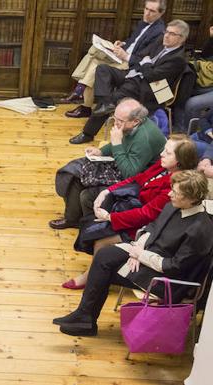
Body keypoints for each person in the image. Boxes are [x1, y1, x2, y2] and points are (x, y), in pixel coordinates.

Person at [53, 170, 213, 336]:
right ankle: (84, 317)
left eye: (176, 192)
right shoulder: (174, 206)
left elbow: (174, 266)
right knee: (104, 255)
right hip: (149, 255)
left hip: (168, 280)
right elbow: (152, 228)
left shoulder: (199, 229)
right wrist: (139, 248)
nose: (170, 194)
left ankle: (85, 320)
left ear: (192, 199)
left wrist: (140, 256)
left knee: (105, 269)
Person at [62, 135, 198, 289]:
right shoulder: (163, 167)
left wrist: (110, 217)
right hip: (131, 212)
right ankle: (98, 273)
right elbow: (137, 179)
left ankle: (91, 278)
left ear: (180, 160)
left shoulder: (175, 184)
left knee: (101, 241)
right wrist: (108, 191)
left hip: (147, 227)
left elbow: (148, 214)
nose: (161, 154)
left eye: (167, 153)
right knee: (94, 223)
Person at [50, 98, 167, 229]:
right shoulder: (132, 127)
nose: (115, 124)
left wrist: (116, 144)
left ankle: (89, 227)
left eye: (120, 121)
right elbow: (123, 143)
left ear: (136, 121)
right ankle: (72, 219)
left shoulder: (144, 138)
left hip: (138, 179)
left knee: (86, 193)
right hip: (124, 163)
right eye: (115, 118)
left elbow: (130, 173)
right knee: (74, 171)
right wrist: (101, 152)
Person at [69, 20, 189, 145]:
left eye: (172, 34)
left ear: (182, 38)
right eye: (167, 32)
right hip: (136, 75)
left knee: (115, 96)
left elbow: (151, 76)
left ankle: (87, 134)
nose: (167, 36)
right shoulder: (160, 42)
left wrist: (146, 63)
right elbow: (139, 56)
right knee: (102, 69)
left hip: (153, 90)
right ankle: (106, 103)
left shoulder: (178, 59)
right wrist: (143, 62)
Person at [62, 0, 165, 119]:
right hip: (124, 54)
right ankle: (81, 93)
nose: (147, 13)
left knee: (95, 65)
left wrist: (125, 55)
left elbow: (146, 58)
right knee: (94, 50)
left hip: (130, 64)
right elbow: (135, 42)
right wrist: (123, 44)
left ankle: (81, 95)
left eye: (152, 11)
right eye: (146, 9)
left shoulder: (159, 33)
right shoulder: (144, 23)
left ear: (161, 13)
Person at [173, 26, 213, 133]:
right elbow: (204, 56)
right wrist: (211, 38)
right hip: (206, 80)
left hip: (209, 83)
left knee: (192, 103)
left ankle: (188, 134)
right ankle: (177, 125)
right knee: (183, 89)